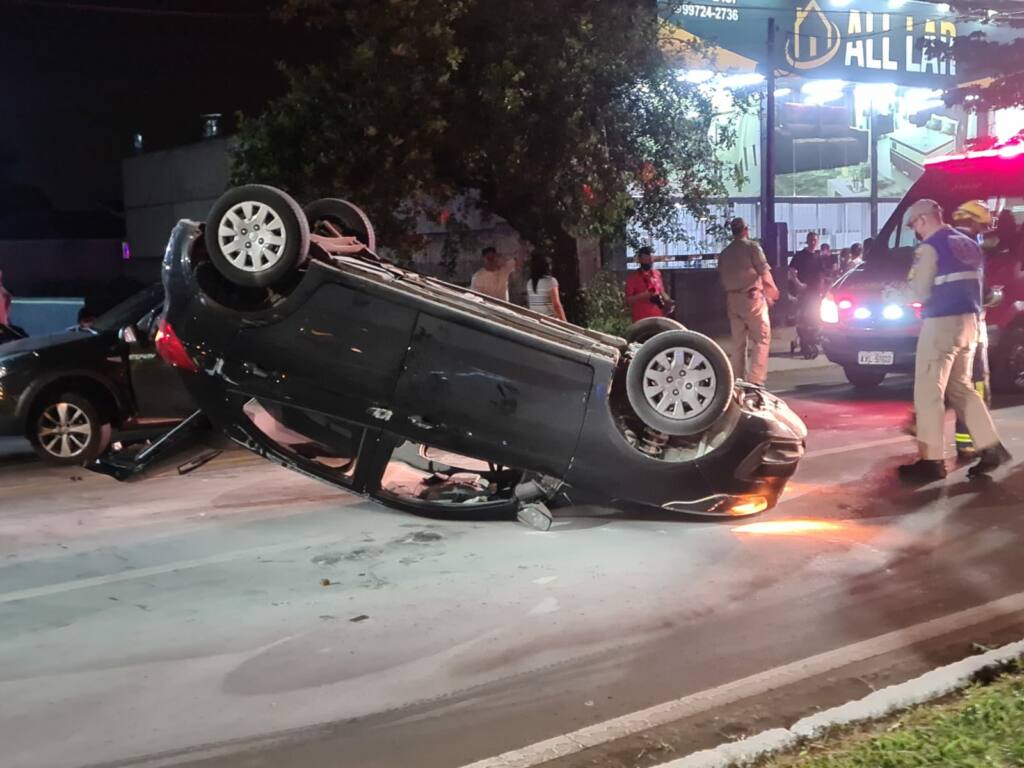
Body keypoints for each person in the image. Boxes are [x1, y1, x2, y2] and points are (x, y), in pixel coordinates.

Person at [898, 199, 1011, 482]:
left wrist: (895, 295)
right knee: (962, 388)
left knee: (928, 392)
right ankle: (991, 448)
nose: (916, 232)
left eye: (914, 226)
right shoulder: (968, 245)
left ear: (922, 220)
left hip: (941, 324)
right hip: (970, 324)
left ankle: (931, 461)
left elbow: (919, 291)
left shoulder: (930, 247)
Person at [717, 217, 780, 385]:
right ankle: (756, 380)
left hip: (732, 299)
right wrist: (771, 290)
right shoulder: (752, 248)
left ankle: (737, 380)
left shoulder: (725, 253)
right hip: (751, 298)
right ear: (745, 230)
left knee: (738, 343)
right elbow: (764, 271)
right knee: (762, 338)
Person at [788, 232, 826, 357]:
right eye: (811, 240)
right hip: (804, 291)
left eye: (815, 240)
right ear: (807, 240)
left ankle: (811, 340)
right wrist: (798, 284)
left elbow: (822, 274)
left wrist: (822, 289)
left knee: (814, 317)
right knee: (804, 316)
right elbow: (792, 271)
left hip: (815, 292)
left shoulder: (818, 257)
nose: (813, 242)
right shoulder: (800, 256)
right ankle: (804, 342)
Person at [625, 246, 673, 322]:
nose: (649, 262)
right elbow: (628, 300)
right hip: (641, 318)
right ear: (640, 260)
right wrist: (643, 295)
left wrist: (669, 301)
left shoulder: (657, 274)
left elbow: (661, 291)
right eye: (646, 260)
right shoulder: (633, 278)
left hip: (657, 317)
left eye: (651, 260)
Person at [525, 254, 567, 321]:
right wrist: (565, 322)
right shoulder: (551, 281)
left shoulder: (529, 283)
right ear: (547, 267)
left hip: (535, 320)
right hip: (549, 320)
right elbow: (556, 305)